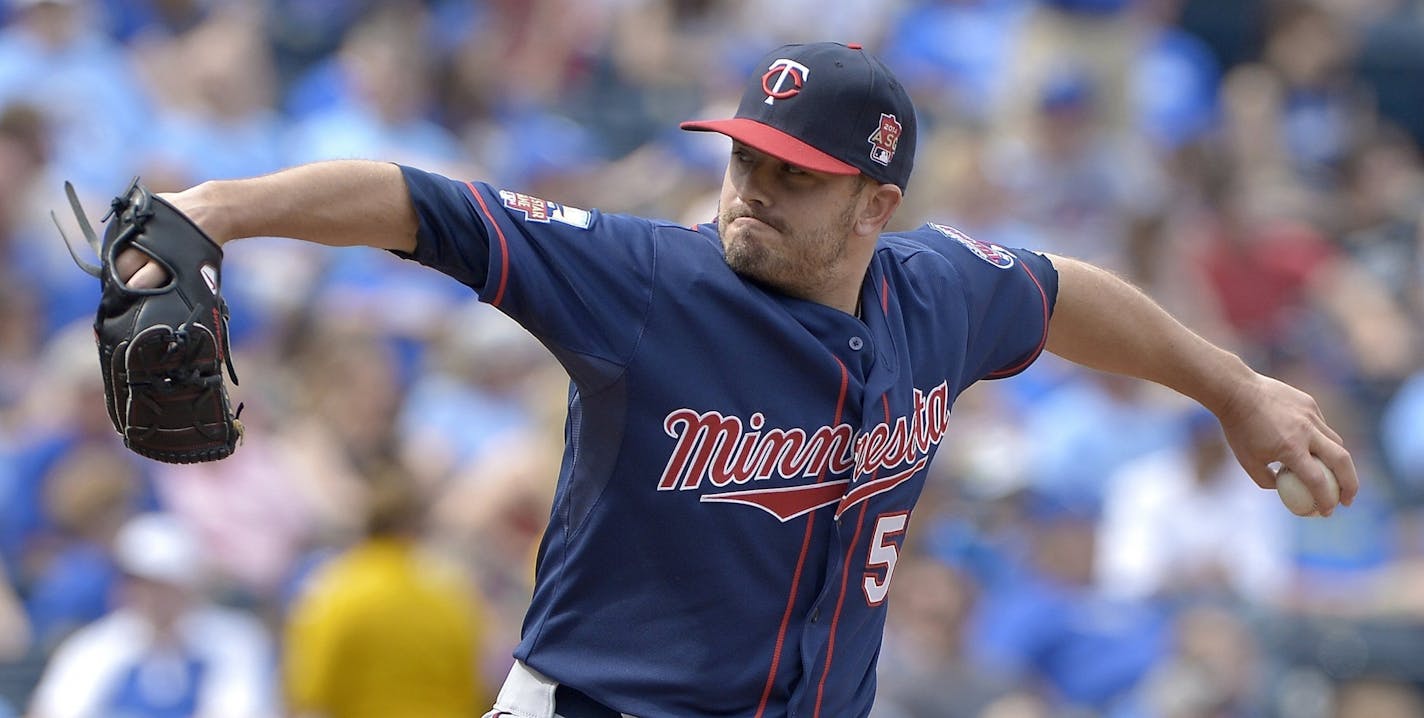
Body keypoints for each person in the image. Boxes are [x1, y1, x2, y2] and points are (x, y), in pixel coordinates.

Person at [113, 41, 1357, 718]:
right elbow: (416, 202)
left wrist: (1232, 387)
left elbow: (1061, 290)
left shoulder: (939, 290)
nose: (751, 188)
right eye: (743, 159)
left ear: (877, 201)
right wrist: (212, 208)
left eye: (793, 174)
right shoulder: (646, 278)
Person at [283, 470, 494, 718]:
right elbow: (476, 686)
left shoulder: (336, 590)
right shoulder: (452, 594)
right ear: (416, 527)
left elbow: (308, 690)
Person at [27, 512, 277, 718]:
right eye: (139, 583)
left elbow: (242, 709)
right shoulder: (96, 646)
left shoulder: (235, 641)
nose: (151, 595)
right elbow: (53, 711)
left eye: (162, 584)